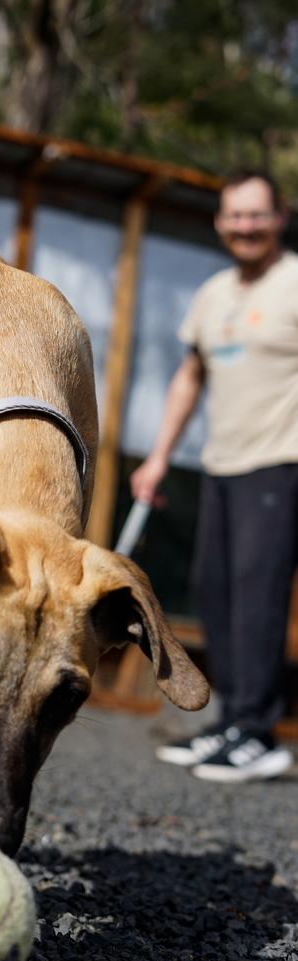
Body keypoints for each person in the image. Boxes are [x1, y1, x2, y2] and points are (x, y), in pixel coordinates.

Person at [131, 168, 297, 783]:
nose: (245, 226)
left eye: (257, 214)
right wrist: (157, 457)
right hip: (221, 466)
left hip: (281, 464)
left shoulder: (294, 282)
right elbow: (189, 378)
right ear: (220, 222)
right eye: (235, 215)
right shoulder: (213, 294)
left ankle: (259, 732)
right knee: (216, 589)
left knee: (258, 596)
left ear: (279, 218)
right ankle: (231, 722)